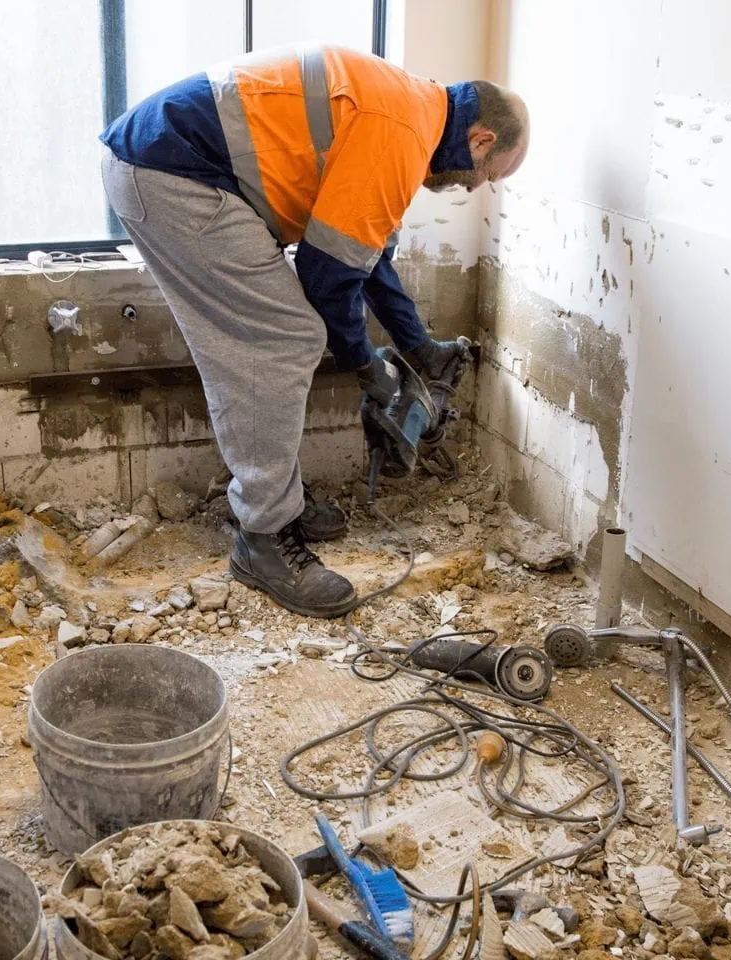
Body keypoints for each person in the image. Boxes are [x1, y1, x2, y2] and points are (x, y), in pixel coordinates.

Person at [99, 44, 528, 618]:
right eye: (487, 176)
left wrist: (417, 348)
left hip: (171, 162)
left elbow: (370, 257)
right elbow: (327, 281)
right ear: (480, 141)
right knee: (282, 338)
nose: (477, 188)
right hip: (171, 172)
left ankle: (275, 503)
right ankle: (263, 538)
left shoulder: (411, 115)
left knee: (280, 336)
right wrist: (367, 369)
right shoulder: (400, 134)